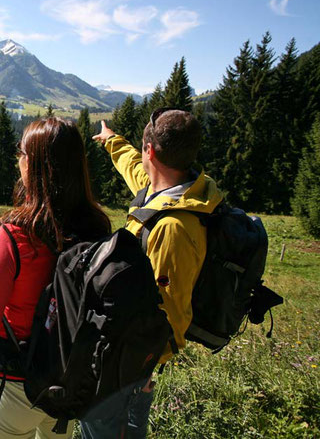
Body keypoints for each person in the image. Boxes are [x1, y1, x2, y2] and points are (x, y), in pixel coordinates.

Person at [0, 117, 111, 438]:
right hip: (68, 381)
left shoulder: (14, 235)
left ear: (34, 164)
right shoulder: (98, 228)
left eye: (22, 153)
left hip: (14, 386)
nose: (18, 160)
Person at [80, 109, 224, 438]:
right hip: (130, 358)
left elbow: (171, 312)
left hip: (131, 367)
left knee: (102, 425)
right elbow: (134, 166)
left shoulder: (173, 227)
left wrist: (143, 367)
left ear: (152, 152)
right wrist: (111, 140)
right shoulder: (163, 189)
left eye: (144, 148)